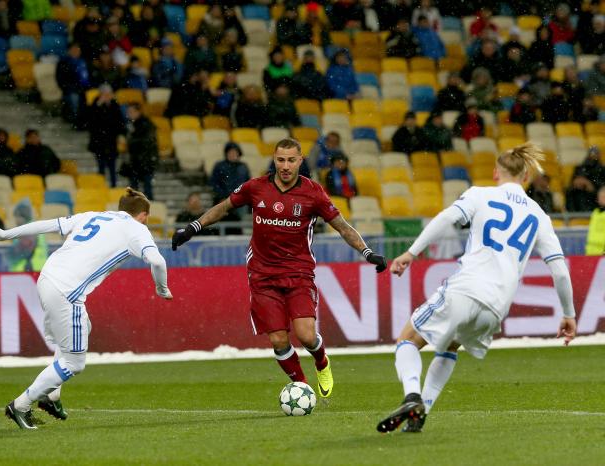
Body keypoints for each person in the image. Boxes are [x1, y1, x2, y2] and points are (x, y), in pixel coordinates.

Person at [377, 142, 576, 434]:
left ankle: (412, 396)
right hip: (497, 308)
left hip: (467, 288)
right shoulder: (539, 216)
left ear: (496, 173)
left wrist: (411, 253)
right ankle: (422, 413)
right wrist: (569, 313)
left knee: (408, 339)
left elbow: (447, 218)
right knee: (451, 345)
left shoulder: (480, 194)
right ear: (525, 177)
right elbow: (559, 270)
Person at [172, 138, 388, 398]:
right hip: (262, 274)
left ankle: (321, 361)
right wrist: (193, 228)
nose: (285, 166)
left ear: (300, 161)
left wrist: (367, 252)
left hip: (298, 272)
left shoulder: (313, 192)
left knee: (307, 336)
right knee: (278, 340)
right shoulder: (256, 187)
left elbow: (342, 226)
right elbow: (225, 206)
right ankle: (302, 386)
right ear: (274, 160)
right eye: (280, 160)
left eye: (291, 160)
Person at [0, 188, 172, 429]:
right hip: (67, 291)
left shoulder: (92, 215)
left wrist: (6, 234)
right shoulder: (136, 229)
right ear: (144, 214)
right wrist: (162, 288)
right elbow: (157, 261)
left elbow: (47, 225)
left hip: (48, 277)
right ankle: (20, 406)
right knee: (74, 363)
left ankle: (51, 396)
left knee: (83, 327)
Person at [87, 84, 127, 187]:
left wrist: (121, 134)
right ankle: (101, 187)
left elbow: (120, 122)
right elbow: (90, 122)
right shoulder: (95, 105)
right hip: (99, 142)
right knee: (101, 167)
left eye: (109, 94)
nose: (108, 96)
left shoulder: (114, 105)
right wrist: (98, 106)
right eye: (105, 94)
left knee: (112, 167)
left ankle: (113, 187)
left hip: (111, 141)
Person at [125, 104, 158, 200]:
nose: (129, 114)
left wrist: (132, 140)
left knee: (147, 187)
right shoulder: (131, 124)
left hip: (145, 161)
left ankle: (149, 207)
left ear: (138, 112)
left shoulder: (146, 124)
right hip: (135, 161)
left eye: (131, 112)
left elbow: (147, 142)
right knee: (134, 189)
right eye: (128, 112)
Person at [55, 43, 91, 128]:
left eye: (77, 50)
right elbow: (60, 79)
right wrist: (71, 88)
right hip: (71, 90)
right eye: (73, 50)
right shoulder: (63, 63)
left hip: (85, 89)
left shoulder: (84, 62)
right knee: (74, 99)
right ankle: (76, 121)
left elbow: (91, 77)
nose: (76, 52)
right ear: (69, 51)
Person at [7, 199, 48, 272]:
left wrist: (10, 252)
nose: (15, 220)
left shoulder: (28, 230)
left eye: (17, 216)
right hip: (33, 271)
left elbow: (22, 251)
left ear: (23, 216)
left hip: (31, 271)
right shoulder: (29, 229)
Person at [585, 186, 605, 255]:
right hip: (590, 251)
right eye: (600, 197)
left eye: (604, 197)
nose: (602, 199)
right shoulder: (595, 212)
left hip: (602, 251)